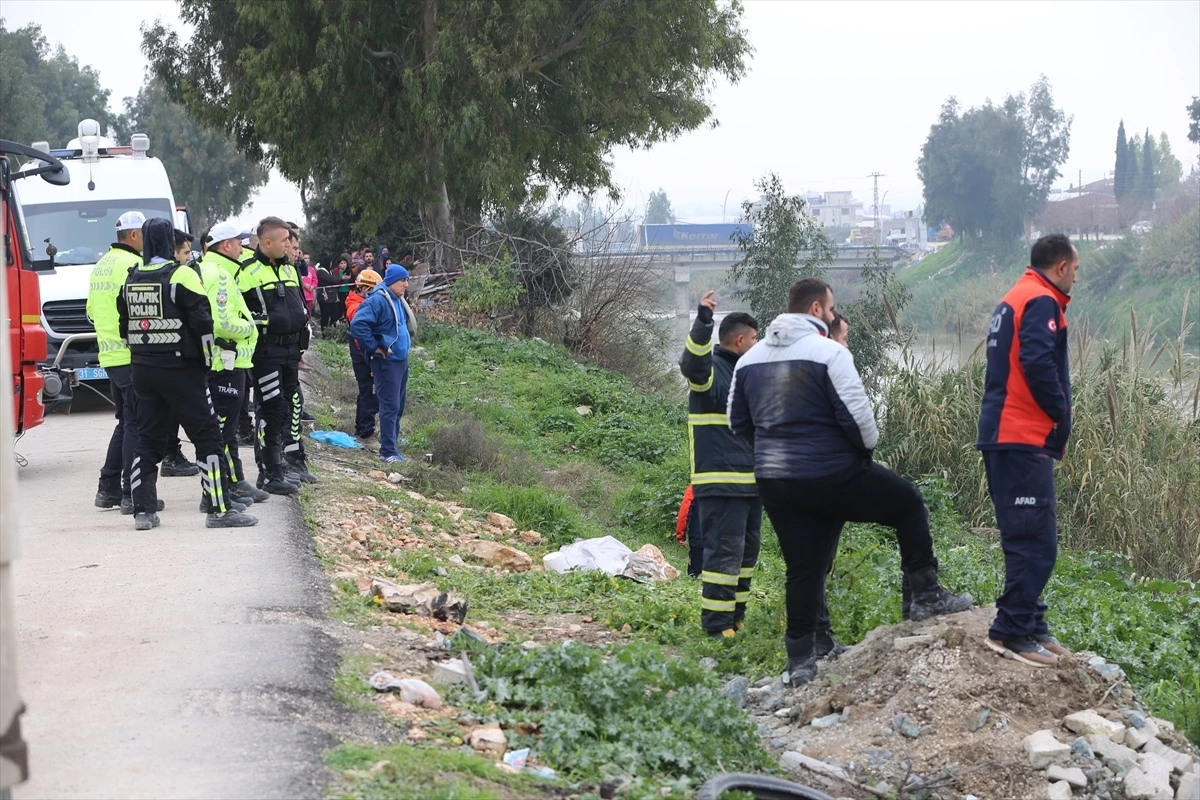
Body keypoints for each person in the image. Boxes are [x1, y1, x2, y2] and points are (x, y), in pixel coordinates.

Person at [728, 277, 972, 686]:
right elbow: (861, 422)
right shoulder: (829, 353)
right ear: (817, 309)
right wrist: (857, 455)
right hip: (831, 472)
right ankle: (926, 597)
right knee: (908, 504)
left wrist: (774, 454)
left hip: (776, 480)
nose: (831, 312)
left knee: (803, 567)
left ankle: (805, 656)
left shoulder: (748, 362)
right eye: (830, 306)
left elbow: (738, 422)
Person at [978, 234, 1079, 668]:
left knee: (1024, 536)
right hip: (1022, 436)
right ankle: (1012, 632)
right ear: (1059, 267)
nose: (1077, 276)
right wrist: (1059, 413)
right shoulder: (1041, 301)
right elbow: (1038, 363)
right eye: (1075, 268)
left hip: (1006, 435)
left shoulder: (1014, 297)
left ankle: (1032, 622)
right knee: (1036, 543)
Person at [118, 217, 257, 530]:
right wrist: (207, 364)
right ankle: (220, 510)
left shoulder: (132, 278)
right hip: (181, 371)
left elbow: (123, 325)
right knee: (208, 437)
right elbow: (204, 324)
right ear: (169, 242)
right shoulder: (181, 275)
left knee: (147, 440)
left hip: (143, 370)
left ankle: (143, 511)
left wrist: (141, 354)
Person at [679, 292, 761, 638]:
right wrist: (703, 321)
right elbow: (691, 364)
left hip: (750, 484)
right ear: (740, 340)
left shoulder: (745, 375)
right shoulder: (712, 373)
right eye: (755, 339)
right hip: (721, 483)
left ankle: (735, 619)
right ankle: (716, 628)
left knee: (745, 556)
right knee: (724, 558)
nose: (758, 345)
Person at [88, 211, 166, 515]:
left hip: (109, 356)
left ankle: (107, 489)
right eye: (145, 233)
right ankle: (132, 492)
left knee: (127, 422)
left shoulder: (101, 265)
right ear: (134, 236)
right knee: (138, 424)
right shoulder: (132, 265)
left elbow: (91, 312)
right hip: (131, 354)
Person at [201, 221, 271, 510]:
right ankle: (224, 488)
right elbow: (220, 322)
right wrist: (249, 328)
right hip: (225, 361)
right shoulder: (217, 274)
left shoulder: (219, 270)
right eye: (238, 242)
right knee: (223, 430)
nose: (243, 247)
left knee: (225, 429)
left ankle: (233, 481)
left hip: (228, 360)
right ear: (225, 245)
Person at [238, 216, 308, 494]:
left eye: (290, 240)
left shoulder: (291, 271)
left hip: (291, 350)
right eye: (284, 240)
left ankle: (286, 465)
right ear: (267, 243)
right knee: (271, 409)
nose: (289, 245)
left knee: (290, 407)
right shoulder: (248, 272)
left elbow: (300, 308)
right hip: (266, 353)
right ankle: (269, 473)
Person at [349, 265, 410, 463]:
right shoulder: (378, 300)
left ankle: (393, 448)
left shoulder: (397, 299)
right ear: (392, 280)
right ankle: (388, 453)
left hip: (400, 361)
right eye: (403, 280)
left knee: (398, 406)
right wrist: (373, 346)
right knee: (389, 407)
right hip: (387, 362)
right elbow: (358, 325)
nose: (406, 284)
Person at [345, 268, 382, 440]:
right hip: (362, 354)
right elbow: (360, 326)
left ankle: (362, 427)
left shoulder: (357, 302)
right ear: (365, 289)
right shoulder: (355, 306)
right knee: (369, 390)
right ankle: (366, 430)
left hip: (362, 352)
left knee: (366, 391)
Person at [316, 256, 346, 329]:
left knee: (335, 316)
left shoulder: (330, 271)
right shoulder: (320, 272)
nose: (331, 264)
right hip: (325, 298)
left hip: (333, 297)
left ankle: (333, 332)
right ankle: (324, 334)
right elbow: (333, 280)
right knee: (325, 317)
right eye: (330, 263)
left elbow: (335, 280)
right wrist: (339, 279)